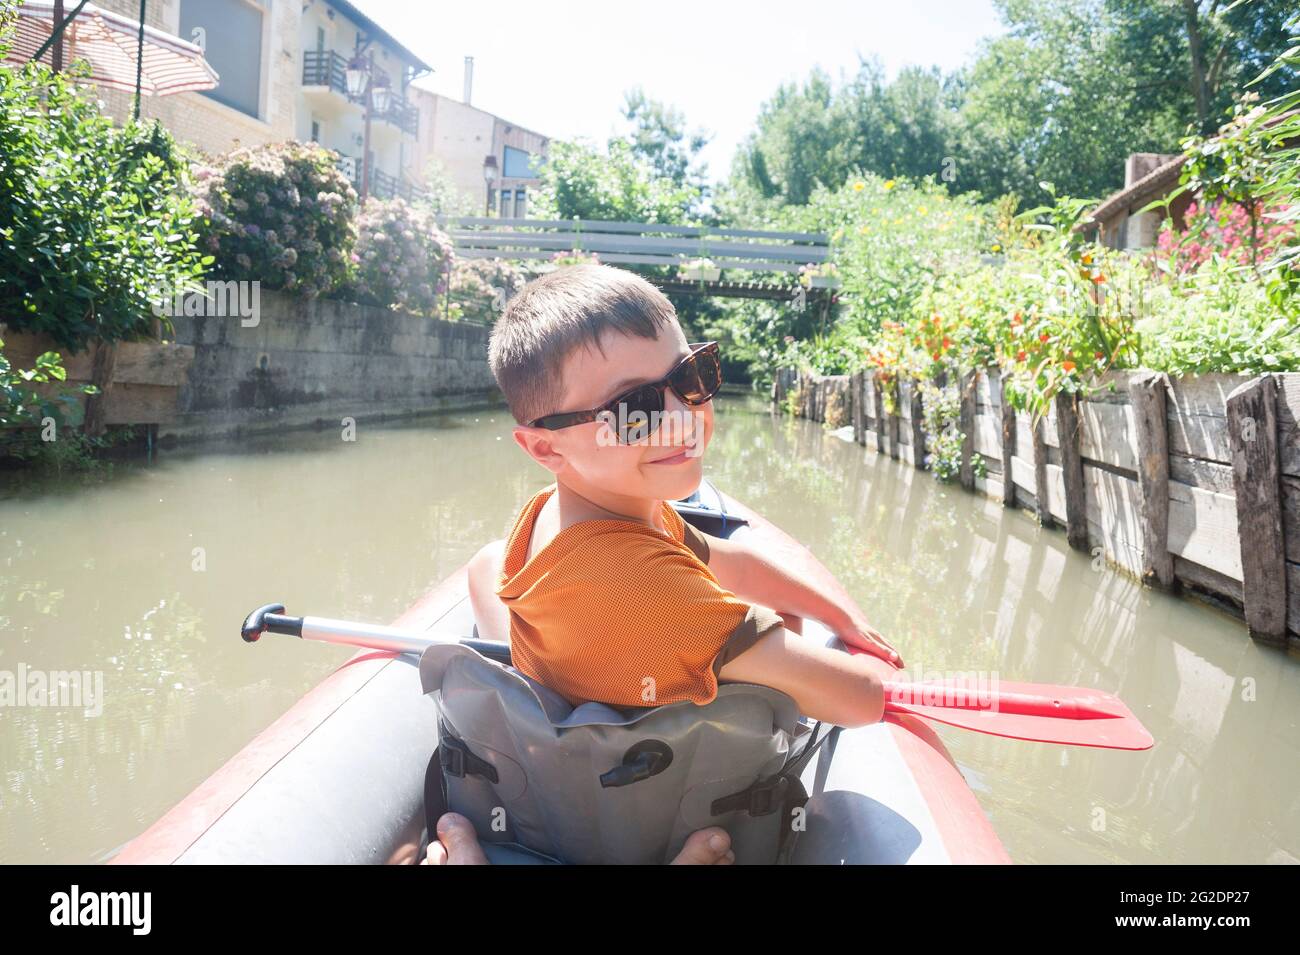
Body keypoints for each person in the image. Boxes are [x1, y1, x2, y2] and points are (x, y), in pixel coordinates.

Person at [452, 264, 903, 863]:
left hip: (561, 778)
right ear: (545, 446)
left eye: (691, 376)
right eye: (633, 406)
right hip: (646, 822)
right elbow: (860, 701)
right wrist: (818, 645)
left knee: (486, 564)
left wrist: (837, 615)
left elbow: (728, 560)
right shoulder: (650, 592)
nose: (683, 417)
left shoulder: (559, 514)